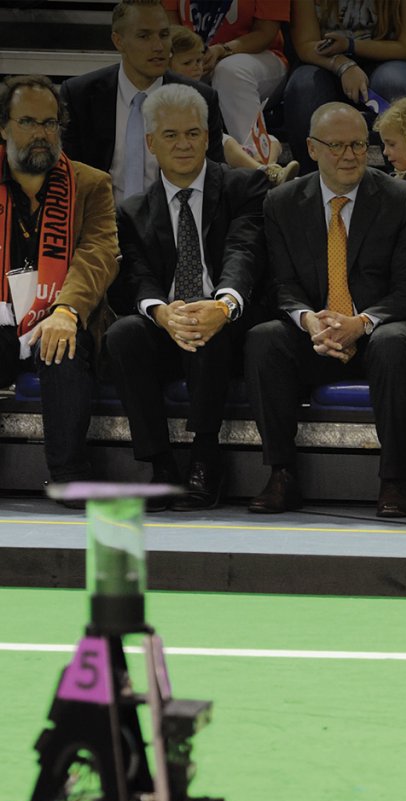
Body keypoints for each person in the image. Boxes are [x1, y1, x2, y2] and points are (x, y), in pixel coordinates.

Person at [246, 101, 406, 514]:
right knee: (264, 339)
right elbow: (280, 284)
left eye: (360, 145)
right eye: (337, 146)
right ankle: (280, 474)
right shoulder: (282, 203)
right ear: (311, 149)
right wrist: (311, 321)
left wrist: (359, 323)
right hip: (316, 332)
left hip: (375, 330)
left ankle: (395, 479)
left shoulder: (403, 200)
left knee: (398, 341)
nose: (350, 156)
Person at [105, 84, 266, 508]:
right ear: (150, 143)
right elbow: (138, 278)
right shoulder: (132, 211)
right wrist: (162, 315)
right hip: (167, 326)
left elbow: (242, 252)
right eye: (172, 135)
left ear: (208, 137)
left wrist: (222, 304)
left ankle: (205, 456)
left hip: (227, 326)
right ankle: (159, 463)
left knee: (206, 325)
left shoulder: (243, 187)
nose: (184, 144)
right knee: (123, 334)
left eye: (193, 133)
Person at [0, 76, 120, 495]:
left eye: (50, 124)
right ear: (3, 127)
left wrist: (67, 310)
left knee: (63, 347)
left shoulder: (90, 183)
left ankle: (69, 473)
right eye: (28, 121)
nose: (40, 134)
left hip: (58, 314)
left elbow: (99, 254)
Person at [60, 0, 228, 203]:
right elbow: (68, 176)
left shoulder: (199, 98)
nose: (158, 46)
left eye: (164, 35)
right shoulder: (80, 95)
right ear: (118, 41)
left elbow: (214, 178)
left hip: (174, 223)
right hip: (99, 224)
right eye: (144, 36)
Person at [282, 0, 406, 150]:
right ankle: (311, 171)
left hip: (392, 58)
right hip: (326, 61)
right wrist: (344, 66)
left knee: (393, 83)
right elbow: (306, 45)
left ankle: (403, 169)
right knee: (304, 87)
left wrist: (350, 45)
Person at [162, 0, 287, 166]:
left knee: (230, 70)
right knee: (177, 72)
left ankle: (258, 157)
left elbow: (265, 33)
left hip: (257, 56)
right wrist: (192, 57)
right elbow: (168, 26)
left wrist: (222, 50)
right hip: (193, 54)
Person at [167, 24, 297, 184]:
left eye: (199, 61)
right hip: (199, 146)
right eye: (187, 63)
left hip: (215, 145)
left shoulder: (206, 93)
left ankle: (271, 170)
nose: (197, 68)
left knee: (272, 141)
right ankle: (264, 173)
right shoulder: (167, 93)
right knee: (226, 142)